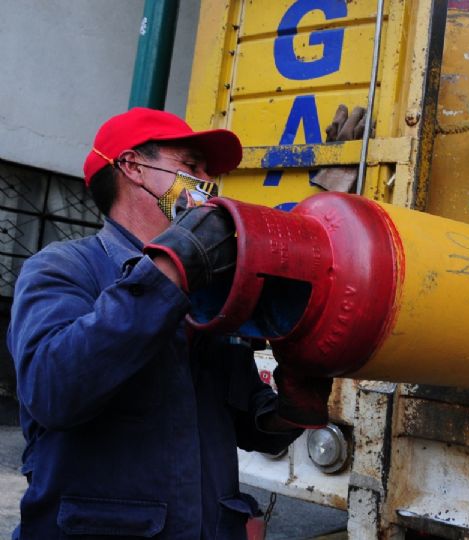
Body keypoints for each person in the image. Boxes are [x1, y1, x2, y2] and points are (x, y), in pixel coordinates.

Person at [6, 108, 330, 539]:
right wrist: (174, 267)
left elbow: (254, 428)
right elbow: (53, 390)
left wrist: (290, 409)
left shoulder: (212, 293)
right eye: (191, 167)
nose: (208, 184)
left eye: (209, 172)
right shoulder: (63, 269)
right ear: (133, 167)